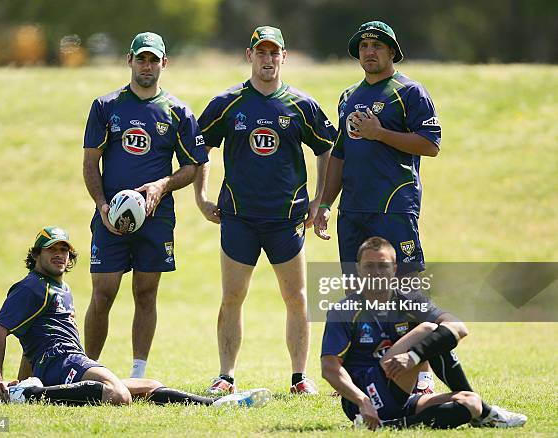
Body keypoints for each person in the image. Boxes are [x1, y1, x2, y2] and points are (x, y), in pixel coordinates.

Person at [194, 26, 336, 394]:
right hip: (239, 217)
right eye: (262, 52)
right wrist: (202, 196)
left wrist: (319, 199)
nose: (268, 59)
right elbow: (199, 149)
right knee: (232, 297)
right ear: (250, 55)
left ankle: (299, 377)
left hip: (286, 221)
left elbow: (328, 149)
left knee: (297, 298)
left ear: (284, 57)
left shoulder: (300, 105)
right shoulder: (228, 102)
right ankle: (225, 375)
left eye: (275, 53)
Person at [0, 226, 271, 408]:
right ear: (36, 254)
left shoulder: (60, 287)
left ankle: (215, 404)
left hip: (64, 364)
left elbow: (31, 341)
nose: (59, 255)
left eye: (64, 250)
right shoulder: (31, 287)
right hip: (62, 362)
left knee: (149, 385)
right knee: (117, 394)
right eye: (52, 249)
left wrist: (23, 380)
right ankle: (29, 396)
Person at [82, 32, 208, 378]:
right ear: (130, 61)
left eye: (154, 60)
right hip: (111, 217)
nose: (147, 66)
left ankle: (137, 373)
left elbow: (192, 166)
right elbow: (91, 163)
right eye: (142, 59)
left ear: (164, 63)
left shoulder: (178, 111)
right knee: (103, 292)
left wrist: (162, 185)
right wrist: (102, 205)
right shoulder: (106, 107)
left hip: (156, 218)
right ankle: (84, 370)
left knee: (146, 292)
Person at [320, 236, 527, 429]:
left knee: (470, 403)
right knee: (428, 329)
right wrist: (362, 401)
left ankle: (392, 424)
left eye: (383, 266)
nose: (376, 273)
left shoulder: (409, 300)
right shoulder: (344, 311)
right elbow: (329, 368)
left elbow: (458, 327)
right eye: (369, 266)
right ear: (358, 269)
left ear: (394, 268)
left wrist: (414, 357)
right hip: (365, 397)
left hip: (400, 390)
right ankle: (487, 415)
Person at [314, 21, 441, 275]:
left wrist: (380, 134)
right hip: (352, 211)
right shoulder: (348, 96)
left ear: (392, 52)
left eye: (377, 46)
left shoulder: (409, 92)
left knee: (402, 290)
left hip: (393, 207)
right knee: (355, 292)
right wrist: (326, 204)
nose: (369, 51)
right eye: (364, 46)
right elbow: (340, 152)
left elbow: (430, 144)